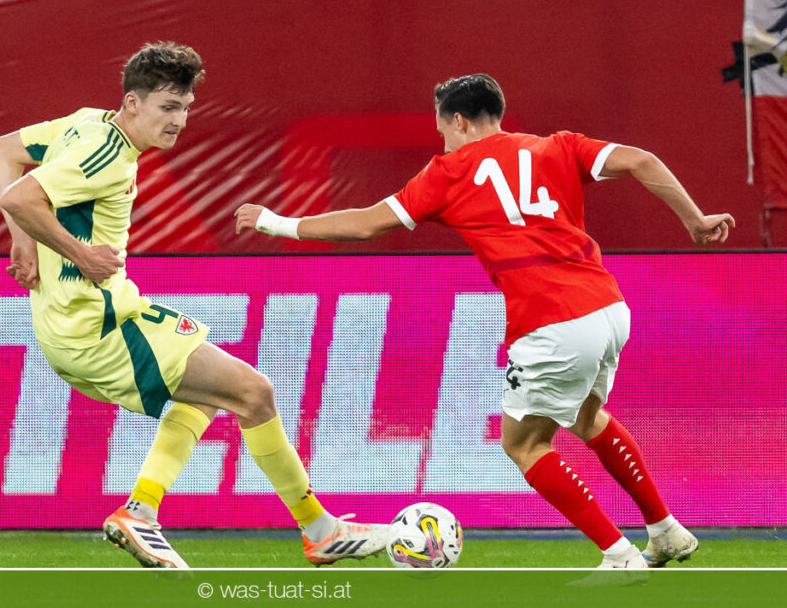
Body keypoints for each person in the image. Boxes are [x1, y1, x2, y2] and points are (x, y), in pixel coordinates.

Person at [235, 74, 734, 569]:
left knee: (524, 443)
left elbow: (365, 224)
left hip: (551, 318)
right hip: (607, 308)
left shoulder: (448, 171)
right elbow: (642, 160)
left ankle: (619, 556)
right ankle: (666, 531)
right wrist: (695, 220)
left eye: (442, 131)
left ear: (458, 121)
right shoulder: (558, 146)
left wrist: (275, 222)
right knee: (586, 417)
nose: (443, 142)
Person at [0, 41, 387, 570]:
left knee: (212, 396)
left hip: (75, 324)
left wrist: (23, 241)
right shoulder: (105, 155)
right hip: (100, 327)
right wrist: (77, 253)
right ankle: (320, 532)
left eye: (186, 108)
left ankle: (143, 510)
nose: (179, 121)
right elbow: (18, 197)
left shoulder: (85, 123)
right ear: (132, 103)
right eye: (168, 107)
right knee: (254, 393)